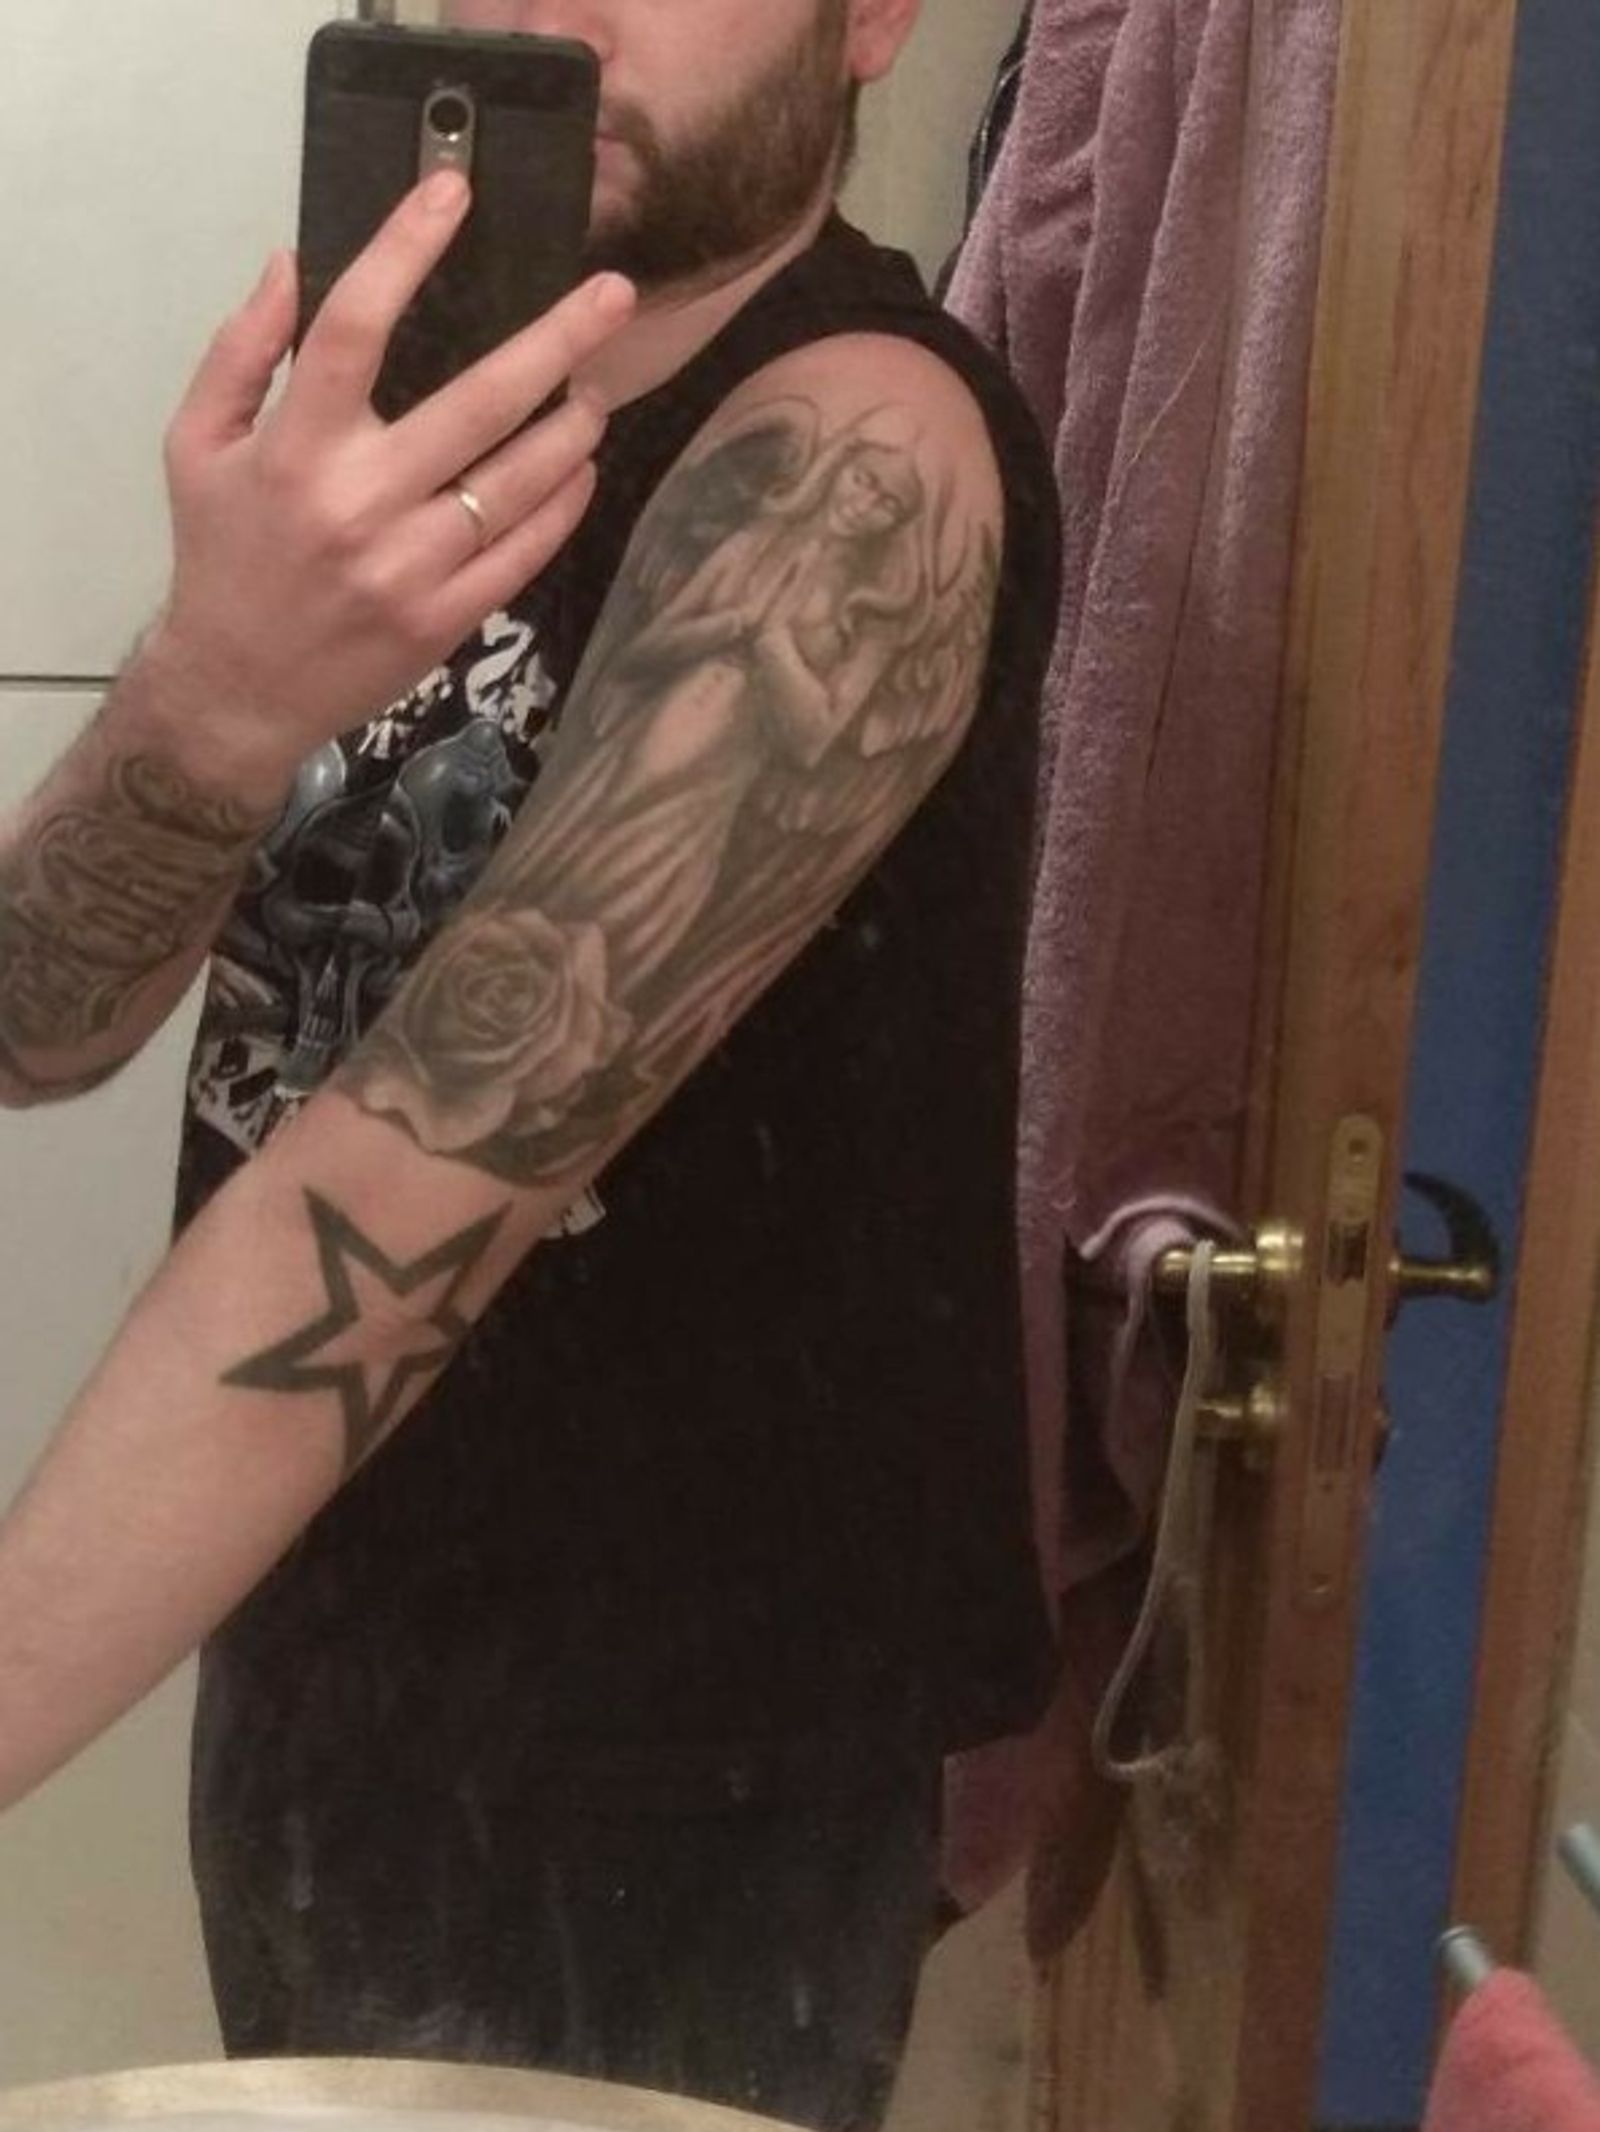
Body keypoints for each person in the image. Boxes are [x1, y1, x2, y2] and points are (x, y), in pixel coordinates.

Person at [0, 2, 1060, 2126]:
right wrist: (213, 689)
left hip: (670, 1778)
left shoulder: (858, 457)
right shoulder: (402, 445)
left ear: (872, 19)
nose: (549, 10)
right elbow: (37, 1022)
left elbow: (412, 1177)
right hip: (315, 1641)